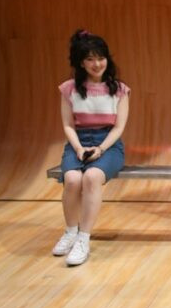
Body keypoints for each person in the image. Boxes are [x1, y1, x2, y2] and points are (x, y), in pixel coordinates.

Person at [53, 30, 130, 266]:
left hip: (109, 144)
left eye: (101, 57)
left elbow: (118, 129)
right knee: (73, 179)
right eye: (90, 59)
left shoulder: (119, 89)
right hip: (78, 141)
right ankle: (70, 231)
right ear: (81, 63)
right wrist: (77, 148)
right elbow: (67, 125)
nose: (97, 64)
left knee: (92, 177)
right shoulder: (69, 89)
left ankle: (83, 239)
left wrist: (100, 149)